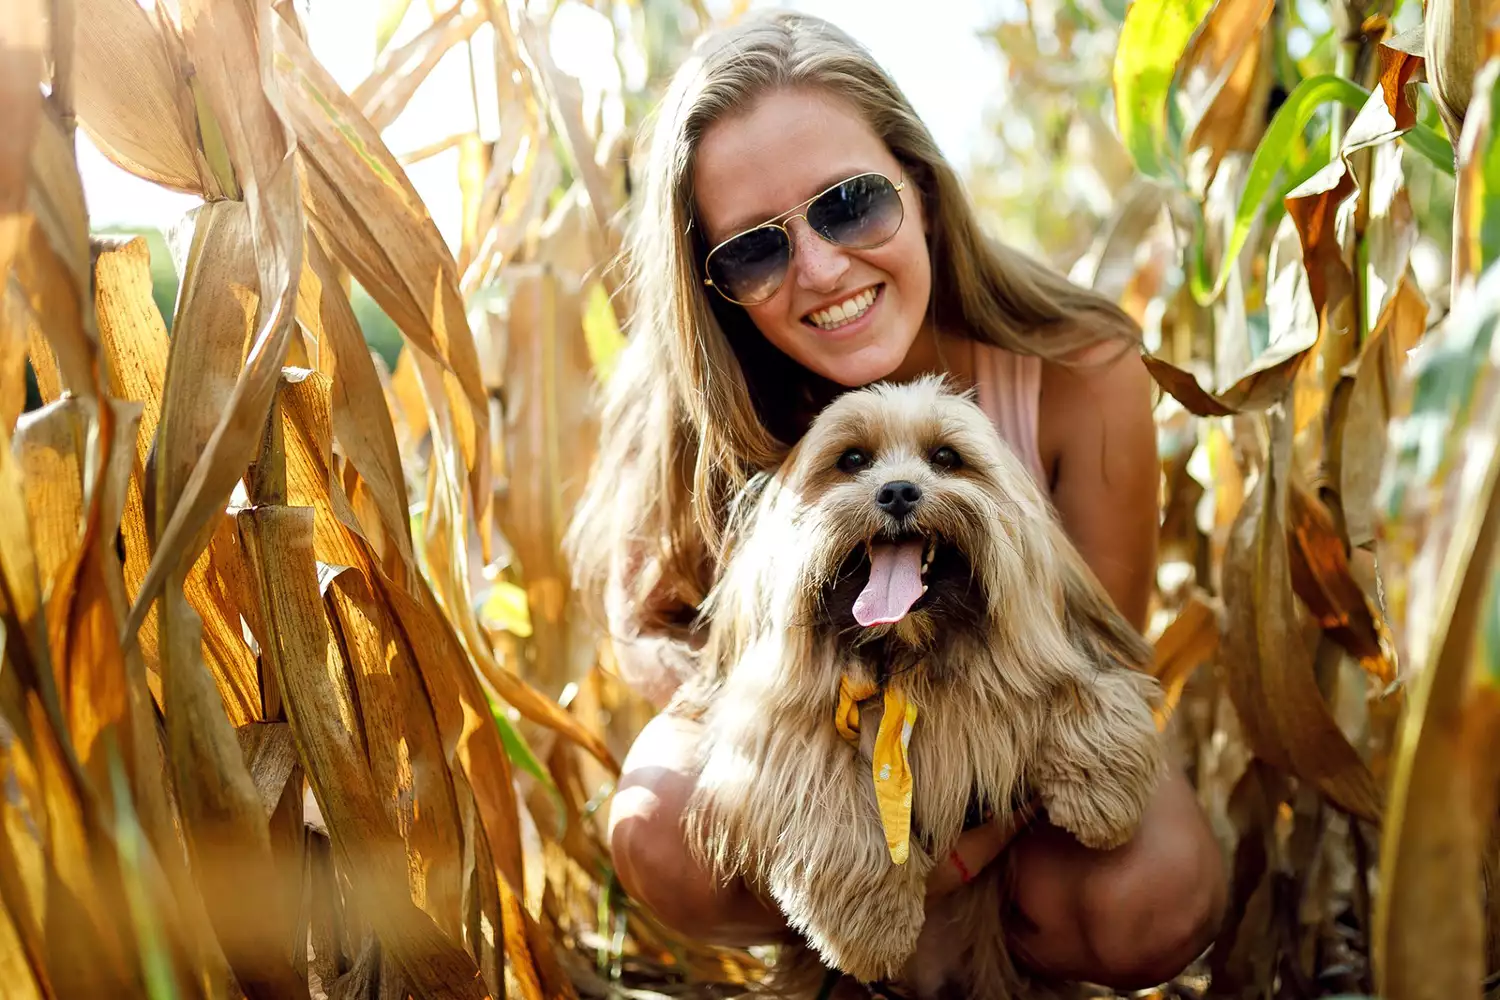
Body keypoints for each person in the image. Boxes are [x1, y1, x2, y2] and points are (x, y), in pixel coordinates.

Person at [565, 10, 1226, 993]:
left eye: (849, 204)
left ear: (918, 185)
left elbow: (1096, 656)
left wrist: (940, 851)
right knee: (661, 823)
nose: (822, 270)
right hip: (789, 720)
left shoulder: (1079, 366)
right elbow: (652, 630)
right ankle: (843, 945)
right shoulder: (694, 395)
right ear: (715, 285)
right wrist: (821, 803)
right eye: (754, 250)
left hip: (1003, 721)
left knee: (1151, 889)